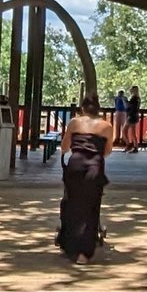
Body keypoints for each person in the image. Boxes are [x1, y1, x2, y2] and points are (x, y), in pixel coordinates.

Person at [56, 89, 112, 262]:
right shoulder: (106, 126)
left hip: (76, 164)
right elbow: (107, 151)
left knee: (71, 203)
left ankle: (68, 242)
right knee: (90, 207)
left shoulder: (74, 123)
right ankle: (84, 253)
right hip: (94, 166)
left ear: (82, 108)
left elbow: (65, 146)